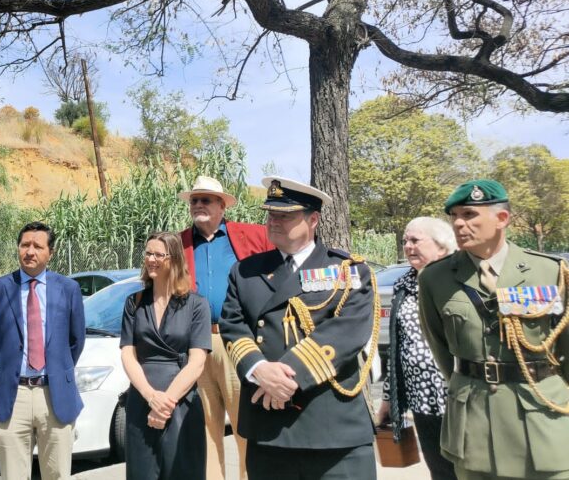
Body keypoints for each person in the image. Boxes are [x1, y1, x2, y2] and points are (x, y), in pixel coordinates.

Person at [220, 176, 379, 480]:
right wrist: (259, 371)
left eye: (285, 215)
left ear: (313, 219)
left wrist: (286, 378)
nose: (274, 221)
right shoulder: (245, 272)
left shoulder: (347, 270)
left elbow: (347, 332)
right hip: (268, 427)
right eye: (271, 214)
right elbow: (233, 326)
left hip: (333, 428)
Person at [418, 179, 569, 480]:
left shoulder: (549, 271)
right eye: (454, 216)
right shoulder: (435, 279)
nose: (459, 224)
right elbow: (441, 348)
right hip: (475, 422)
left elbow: (565, 347)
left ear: (502, 218)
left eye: (469, 214)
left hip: (541, 415)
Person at [0, 221, 87, 480]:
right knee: (13, 475)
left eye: (38, 246)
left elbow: (76, 340)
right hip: (13, 396)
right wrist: (5, 370)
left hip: (55, 393)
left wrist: (59, 371)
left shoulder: (68, 289)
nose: (30, 251)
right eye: (25, 245)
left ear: (51, 252)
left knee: (58, 473)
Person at [178, 175, 271, 480]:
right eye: (194, 200)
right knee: (204, 428)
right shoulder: (179, 243)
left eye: (206, 200)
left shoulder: (249, 235)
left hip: (236, 340)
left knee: (246, 423)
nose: (199, 205)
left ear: (221, 205)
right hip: (195, 344)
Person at [121, 231, 212, 480]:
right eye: (148, 253)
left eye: (158, 254)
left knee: (183, 472)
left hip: (181, 404)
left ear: (174, 259)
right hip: (141, 401)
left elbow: (197, 361)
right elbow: (128, 354)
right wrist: (151, 398)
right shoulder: (134, 302)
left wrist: (165, 403)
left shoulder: (197, 304)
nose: (151, 259)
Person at [376, 217, 458, 480]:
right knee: (440, 471)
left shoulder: (460, 283)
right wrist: (389, 399)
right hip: (422, 402)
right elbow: (397, 349)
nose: (408, 246)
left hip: (461, 400)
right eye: (405, 241)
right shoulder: (404, 286)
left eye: (415, 240)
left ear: (442, 246)